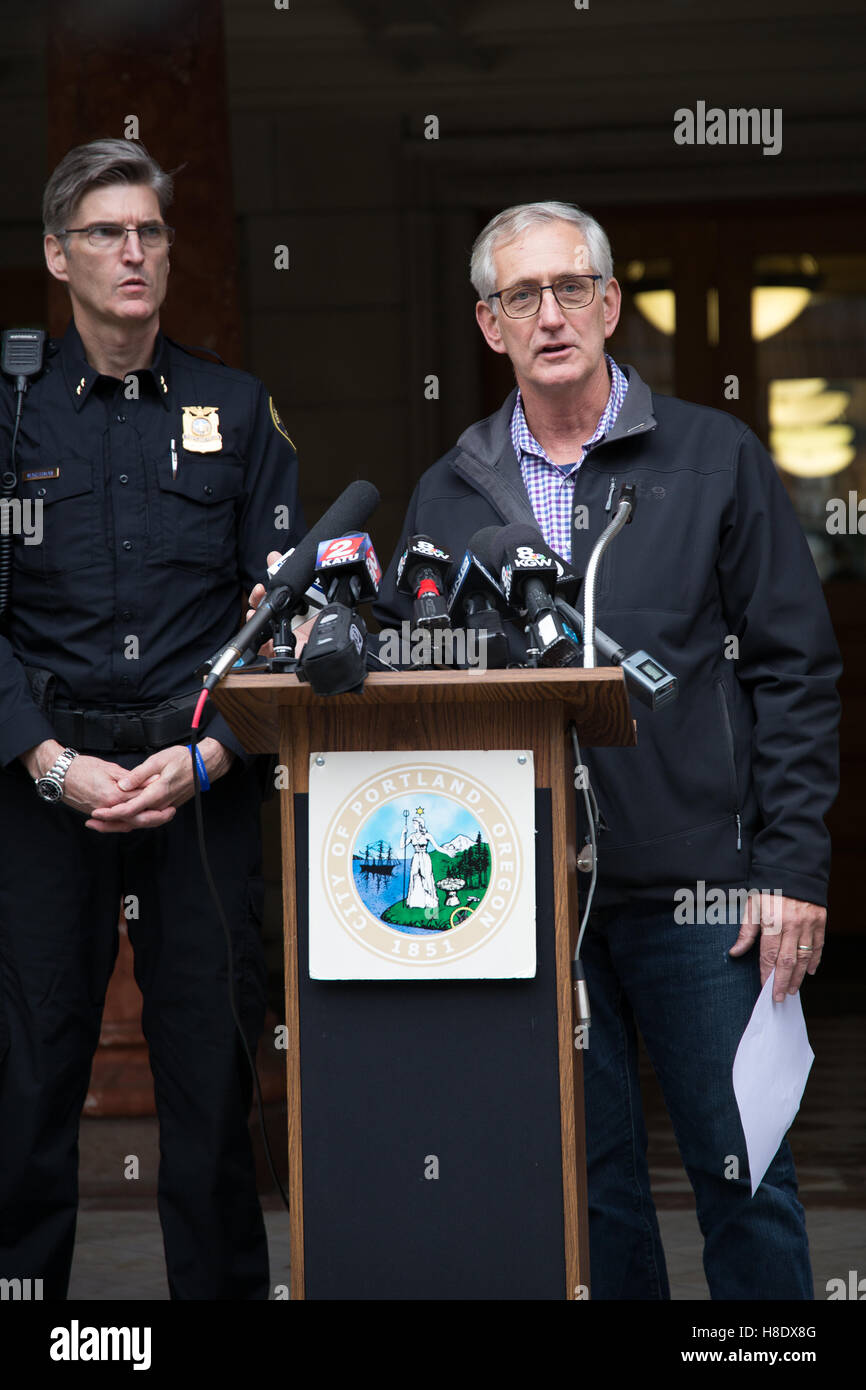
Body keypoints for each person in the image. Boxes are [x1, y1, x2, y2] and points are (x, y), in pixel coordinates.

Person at [373, 201, 842, 1299]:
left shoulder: (711, 455)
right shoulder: (450, 487)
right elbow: (426, 687)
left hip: (705, 901)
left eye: (570, 287)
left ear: (610, 305)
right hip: (532, 901)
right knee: (591, 1192)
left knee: (744, 1173)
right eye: (521, 296)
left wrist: (788, 870)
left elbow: (793, 670)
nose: (550, 315)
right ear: (489, 326)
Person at [0, 139, 304, 1300]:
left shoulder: (235, 406)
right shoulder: (12, 415)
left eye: (150, 233)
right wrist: (47, 760)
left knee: (211, 1080)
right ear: (56, 256)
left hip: (200, 780)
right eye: (104, 233)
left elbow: (284, 609)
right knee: (29, 1080)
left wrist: (213, 750)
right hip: (42, 777)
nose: (132, 252)